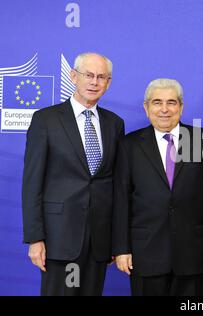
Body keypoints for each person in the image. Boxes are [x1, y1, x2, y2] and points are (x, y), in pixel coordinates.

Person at [22, 52, 125, 295]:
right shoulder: (45, 120)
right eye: (88, 75)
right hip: (59, 238)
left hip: (98, 241)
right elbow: (32, 183)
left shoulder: (115, 124)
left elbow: (115, 185)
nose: (94, 82)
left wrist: (116, 240)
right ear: (73, 76)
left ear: (108, 83)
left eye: (101, 77)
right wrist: (35, 239)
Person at [112, 78, 203, 296]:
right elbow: (121, 200)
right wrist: (121, 248)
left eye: (171, 102)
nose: (164, 109)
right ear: (146, 108)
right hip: (145, 254)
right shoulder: (128, 145)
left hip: (193, 253)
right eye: (157, 102)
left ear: (181, 107)